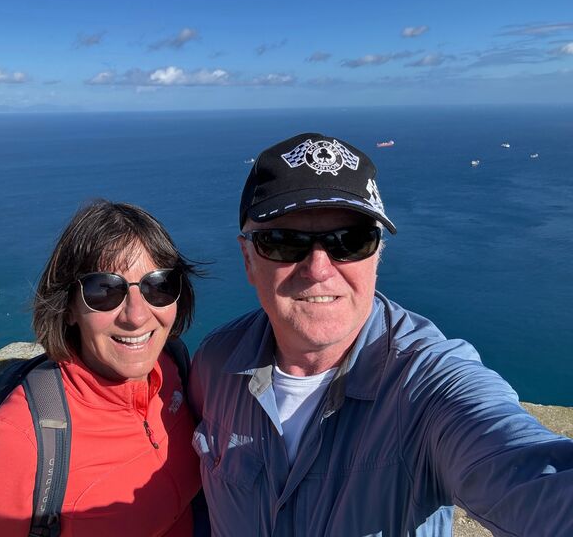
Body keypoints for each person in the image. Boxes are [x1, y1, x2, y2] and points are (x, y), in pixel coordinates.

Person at [189, 133, 573, 536]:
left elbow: (524, 469)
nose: (319, 269)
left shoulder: (425, 383)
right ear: (248, 259)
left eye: (351, 241)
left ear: (376, 257)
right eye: (284, 242)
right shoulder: (217, 363)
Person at [0, 200, 203, 536]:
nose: (137, 316)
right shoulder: (17, 443)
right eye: (105, 291)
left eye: (158, 285)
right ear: (68, 307)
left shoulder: (175, 370)